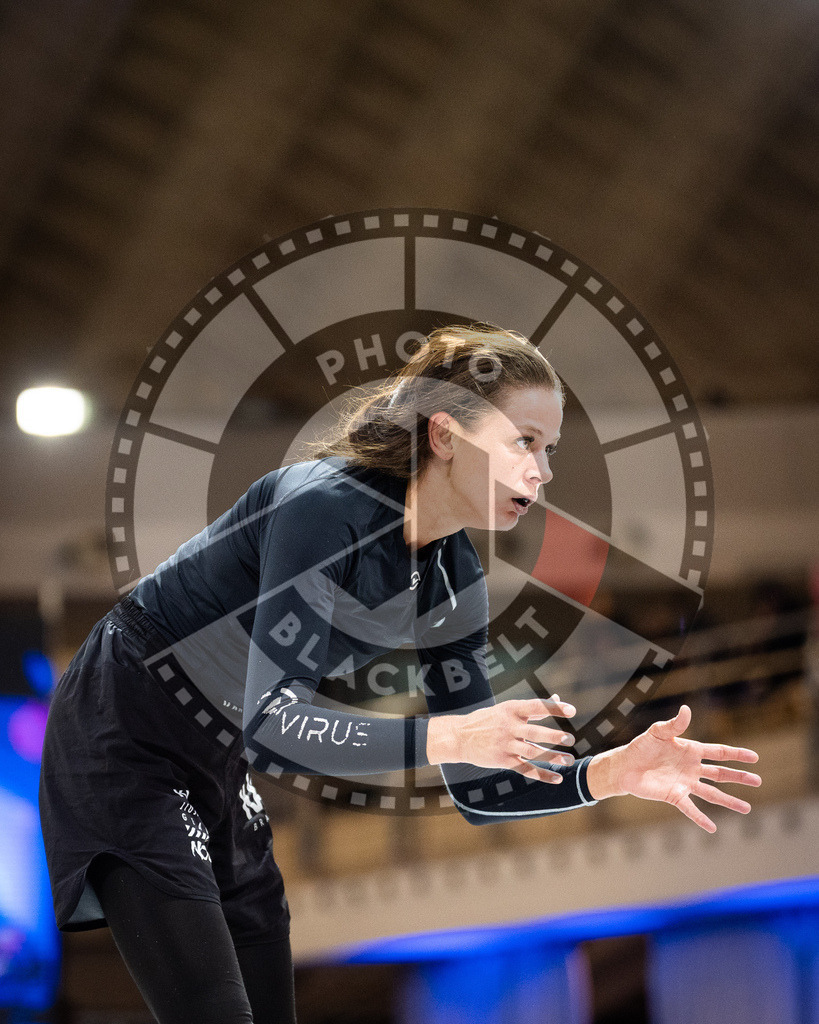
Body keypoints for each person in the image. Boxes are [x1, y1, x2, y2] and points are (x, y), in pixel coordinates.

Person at [39, 324, 761, 1024]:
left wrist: (608, 774)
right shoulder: (322, 506)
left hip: (217, 759)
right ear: (444, 436)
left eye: (549, 450)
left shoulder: (456, 576)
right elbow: (274, 726)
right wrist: (452, 736)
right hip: (124, 733)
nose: (541, 473)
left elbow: (478, 790)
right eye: (523, 442)